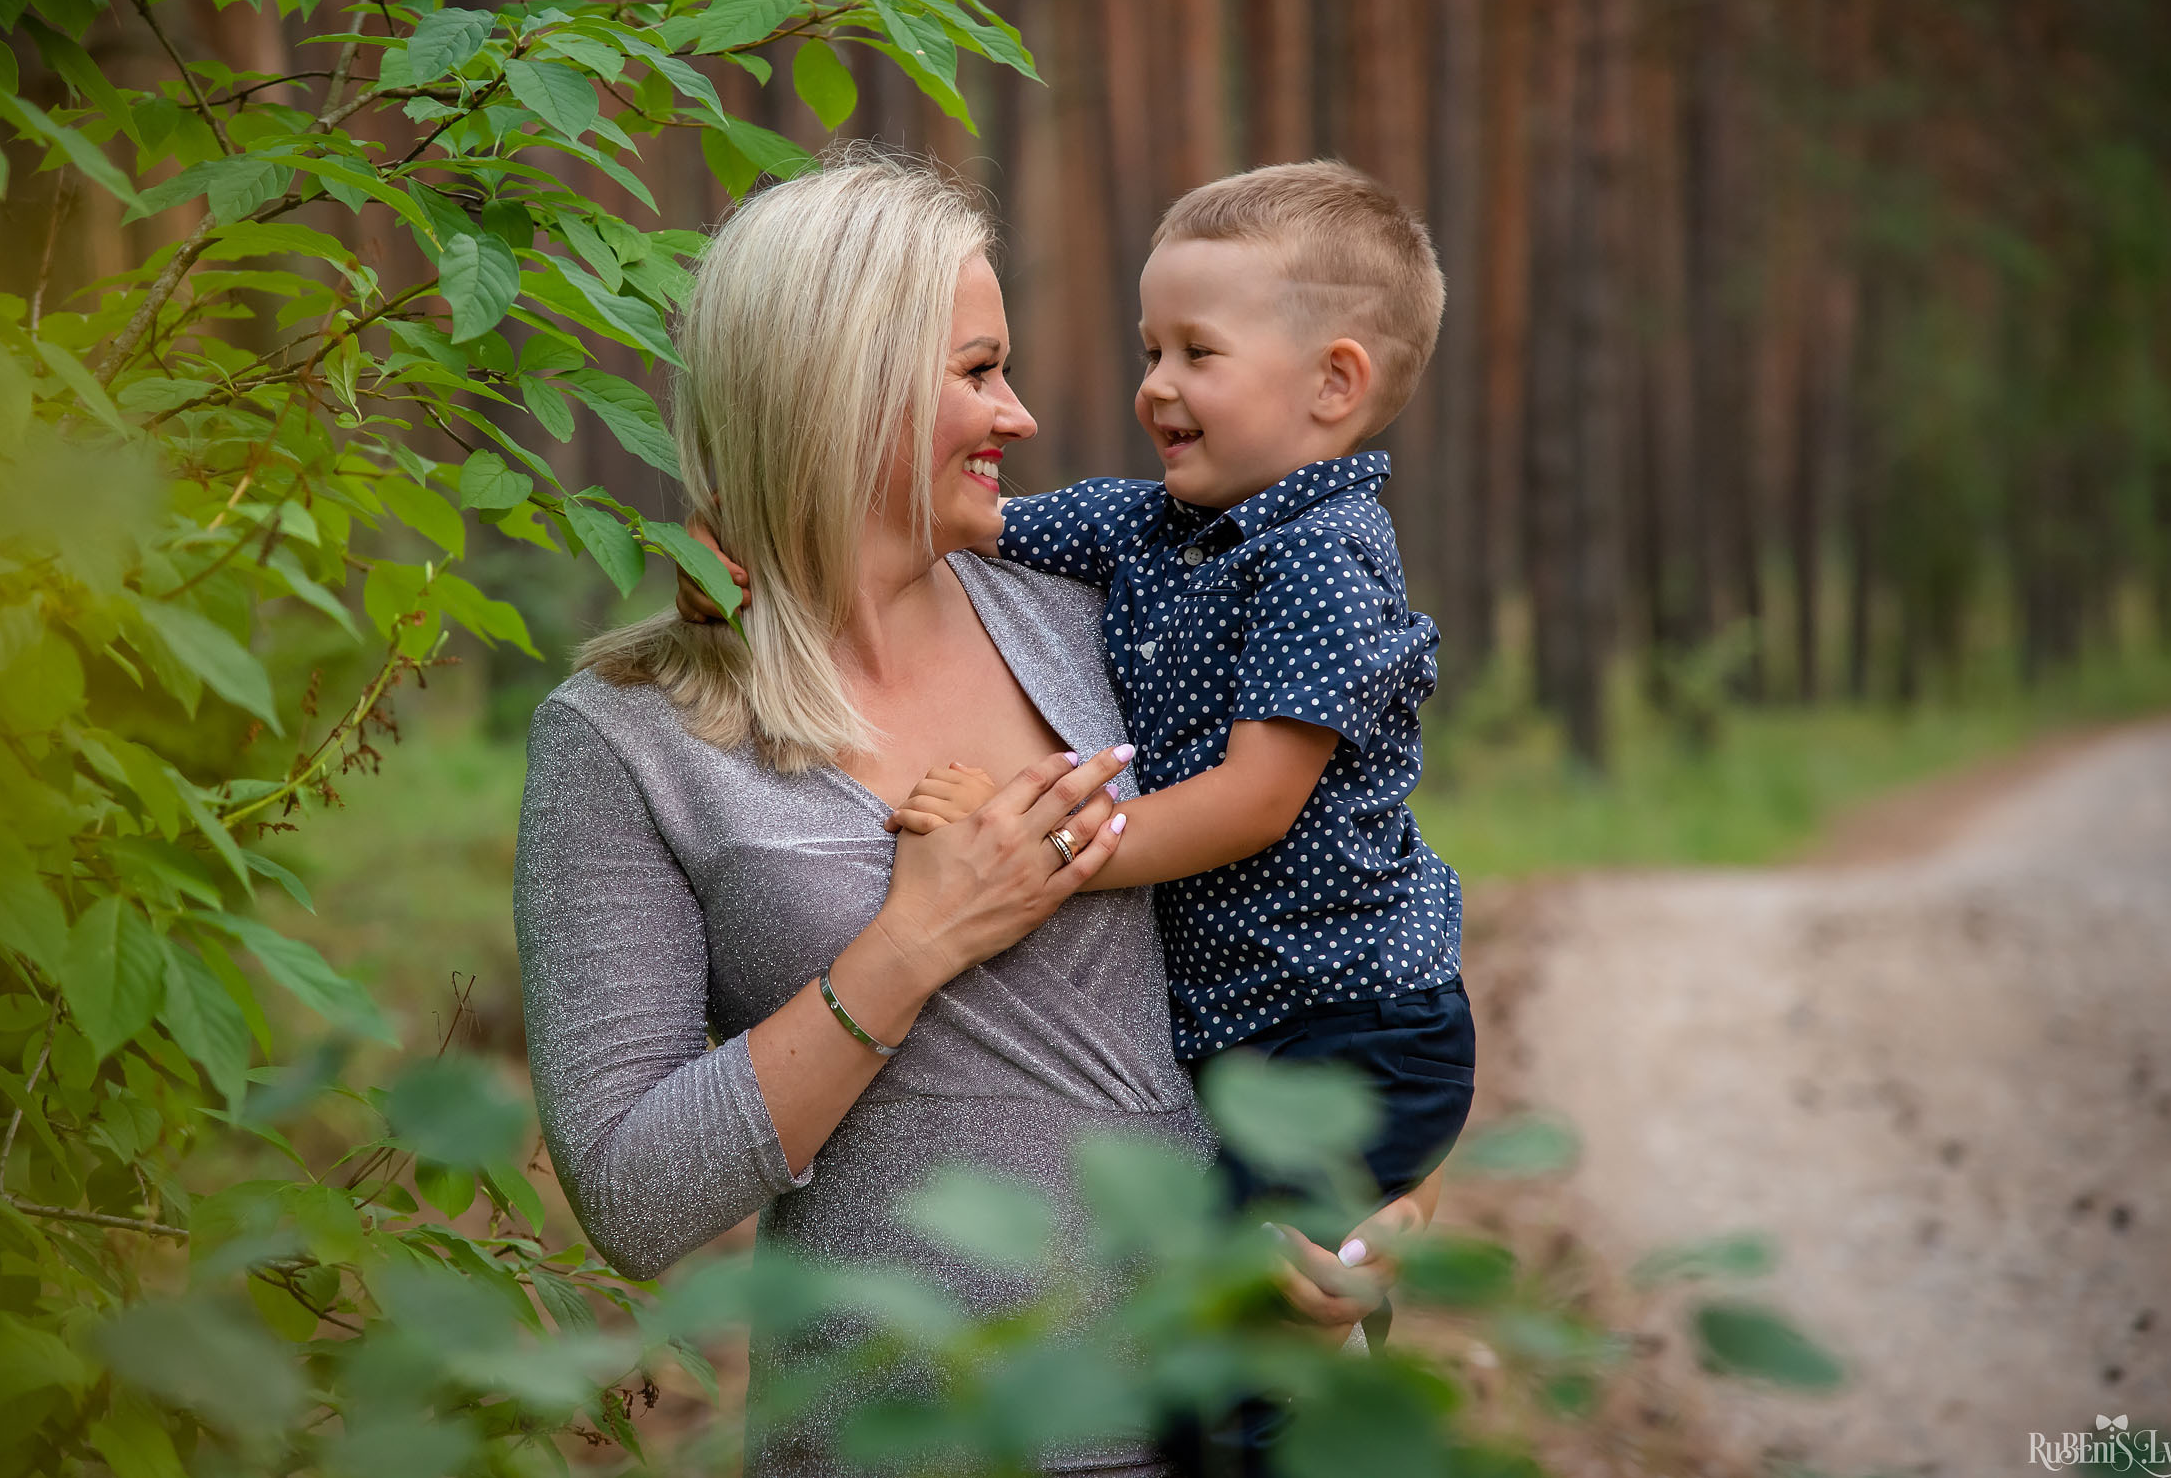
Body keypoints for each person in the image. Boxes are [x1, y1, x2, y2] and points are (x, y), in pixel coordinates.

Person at [512, 153, 1407, 1478]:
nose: (1025, 413)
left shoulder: (1108, 627)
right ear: (846, 386)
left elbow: (1362, 909)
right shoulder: (627, 734)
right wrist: (913, 938)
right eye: (979, 371)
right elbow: (632, 1195)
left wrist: (1381, 1213)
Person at [882, 161, 1472, 1285]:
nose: (1155, 385)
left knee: (1240, 1340)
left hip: (1347, 1029)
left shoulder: (1320, 560)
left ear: (1333, 384)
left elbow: (1255, 801)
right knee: (1213, 1319)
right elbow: (960, 518)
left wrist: (1040, 848)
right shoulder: (1148, 522)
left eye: (1198, 354)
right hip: (1250, 1026)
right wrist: (750, 542)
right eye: (1151, 350)